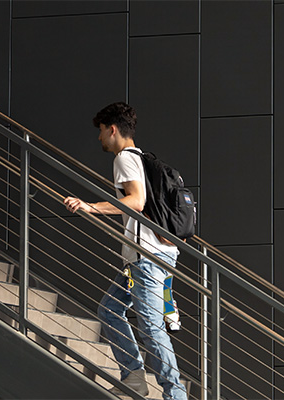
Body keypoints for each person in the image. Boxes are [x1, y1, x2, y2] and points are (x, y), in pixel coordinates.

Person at [63, 102, 187, 400]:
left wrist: (90, 207)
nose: (100, 139)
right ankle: (133, 377)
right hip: (157, 254)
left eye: (102, 132)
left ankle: (176, 395)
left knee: (151, 329)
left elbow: (136, 200)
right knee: (109, 309)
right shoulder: (145, 159)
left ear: (113, 129)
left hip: (146, 258)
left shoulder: (124, 159)